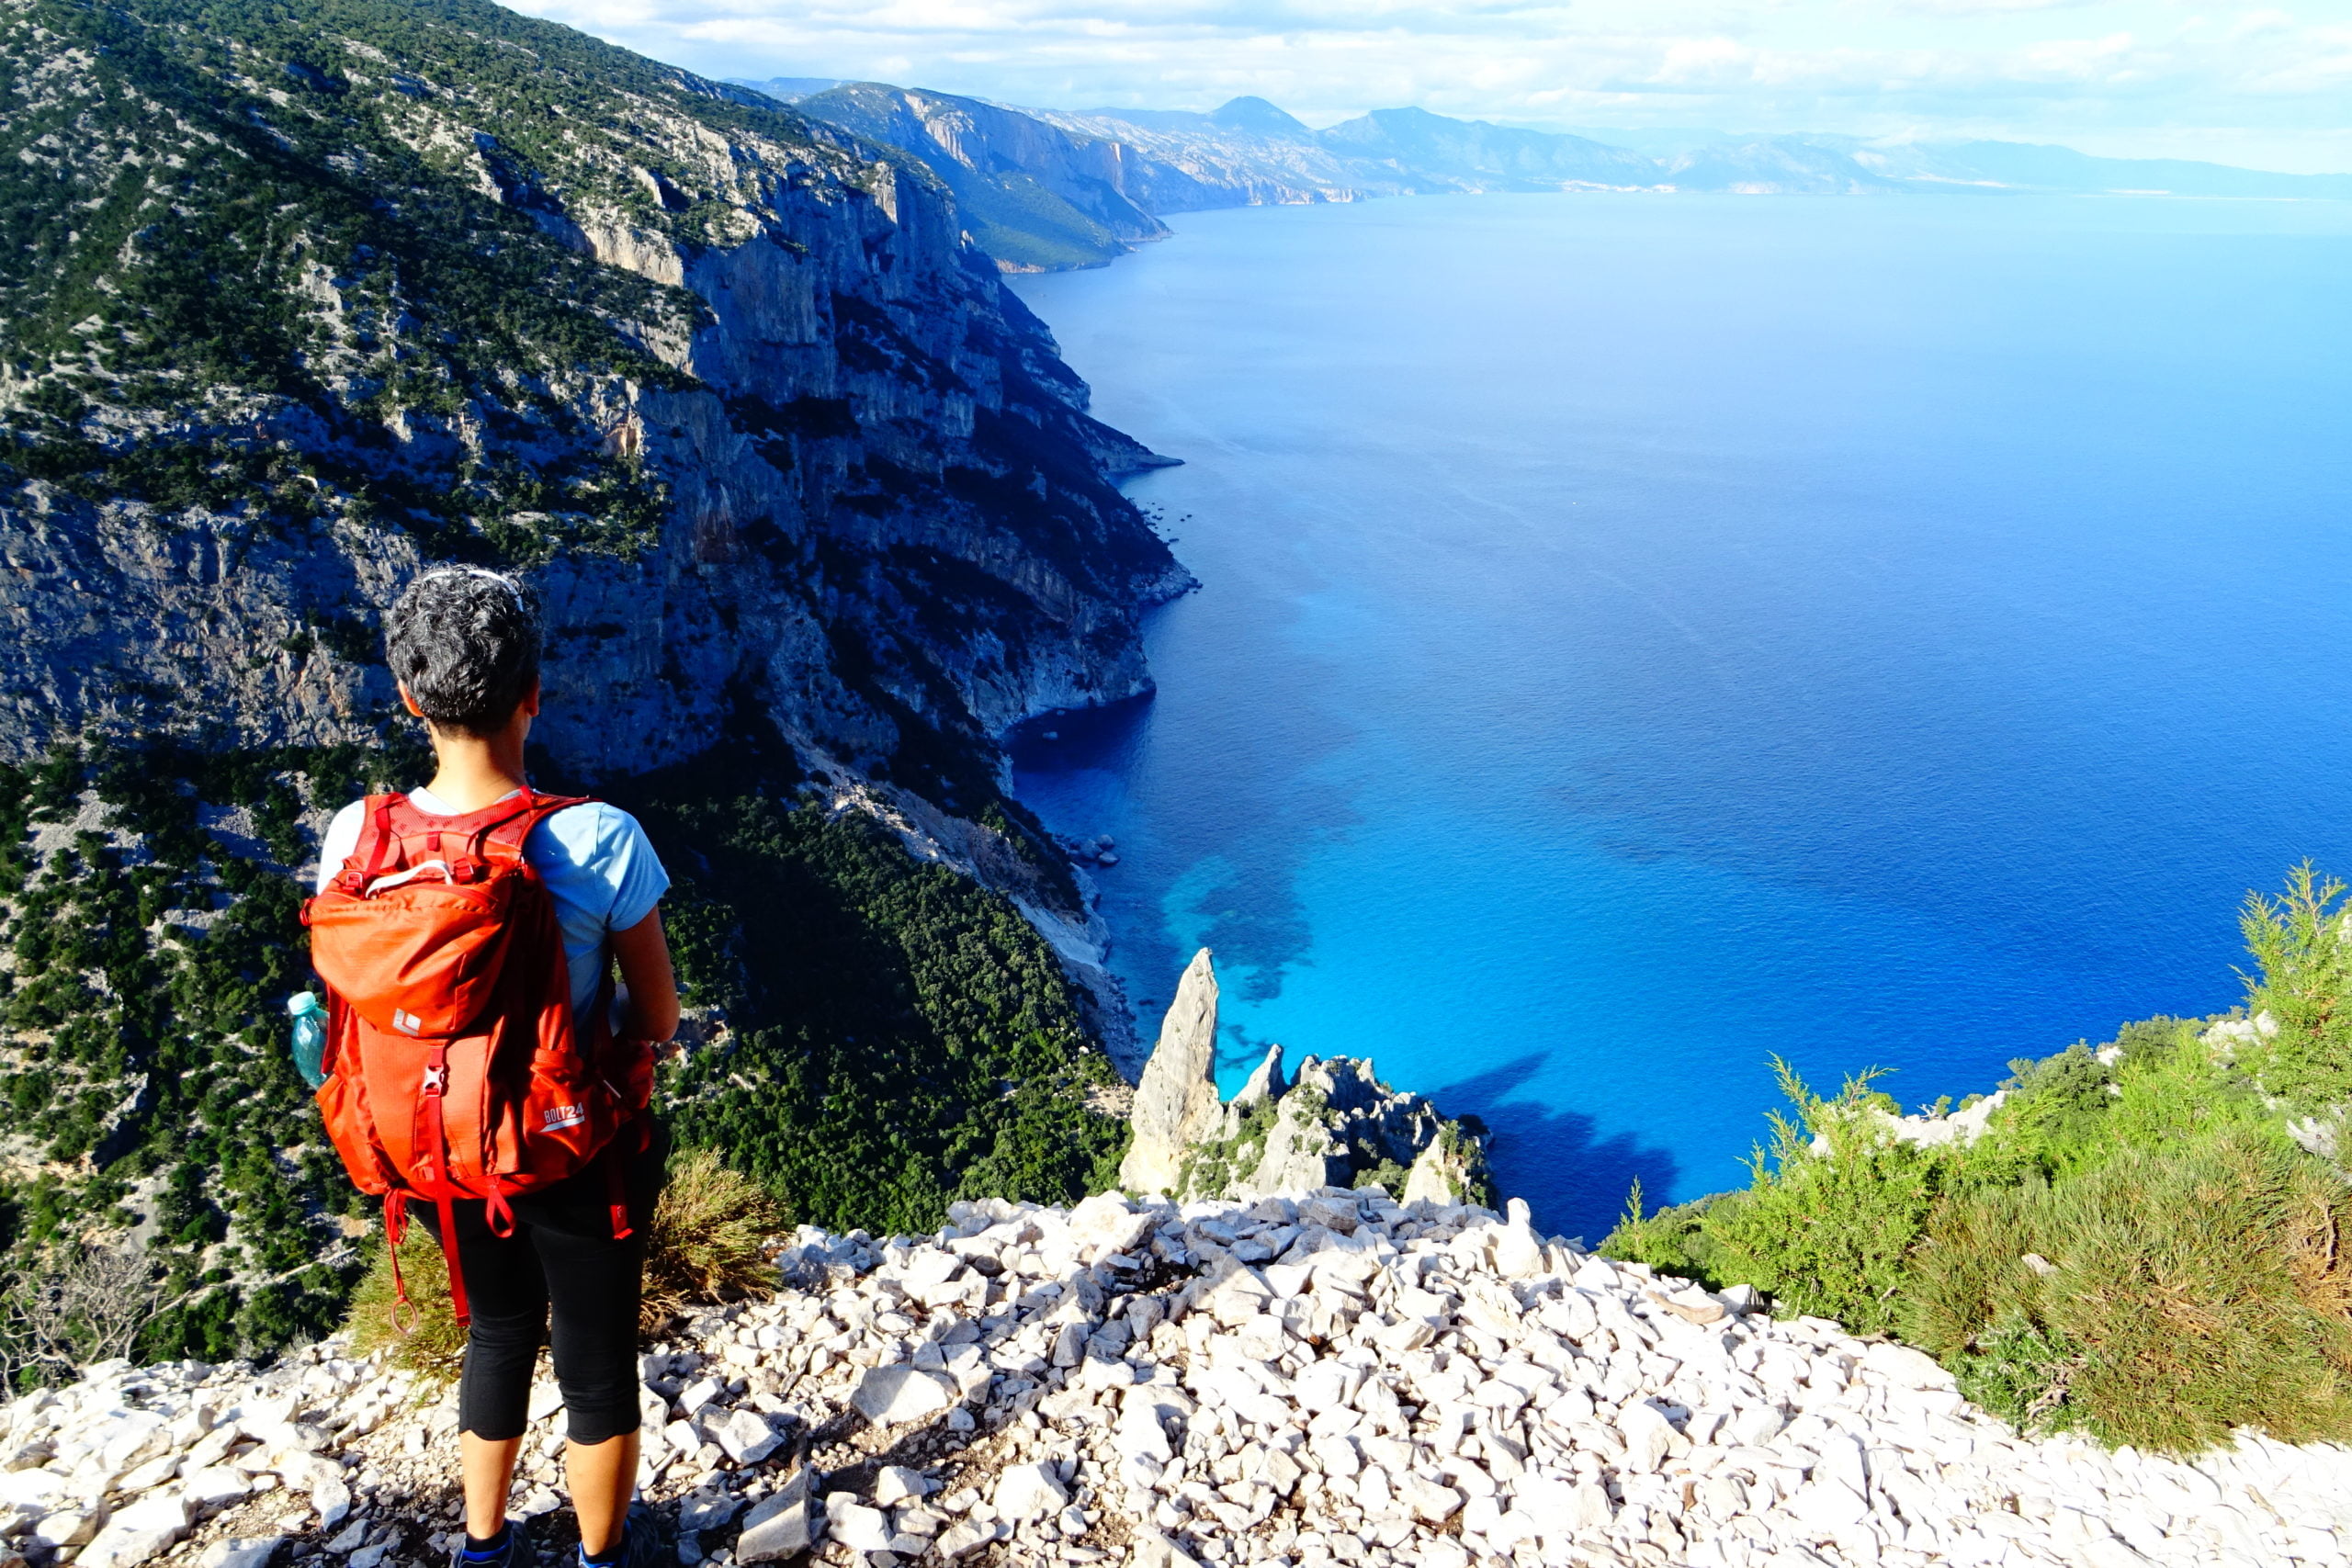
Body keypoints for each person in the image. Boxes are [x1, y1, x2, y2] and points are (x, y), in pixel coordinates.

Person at [312, 566, 680, 1568]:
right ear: (533, 693)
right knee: (597, 1361)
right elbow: (657, 1015)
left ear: (407, 697)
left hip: (435, 1152)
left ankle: (483, 1545)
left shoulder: (356, 836)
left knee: (497, 1330)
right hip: (571, 1149)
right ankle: (605, 1556)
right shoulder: (599, 838)